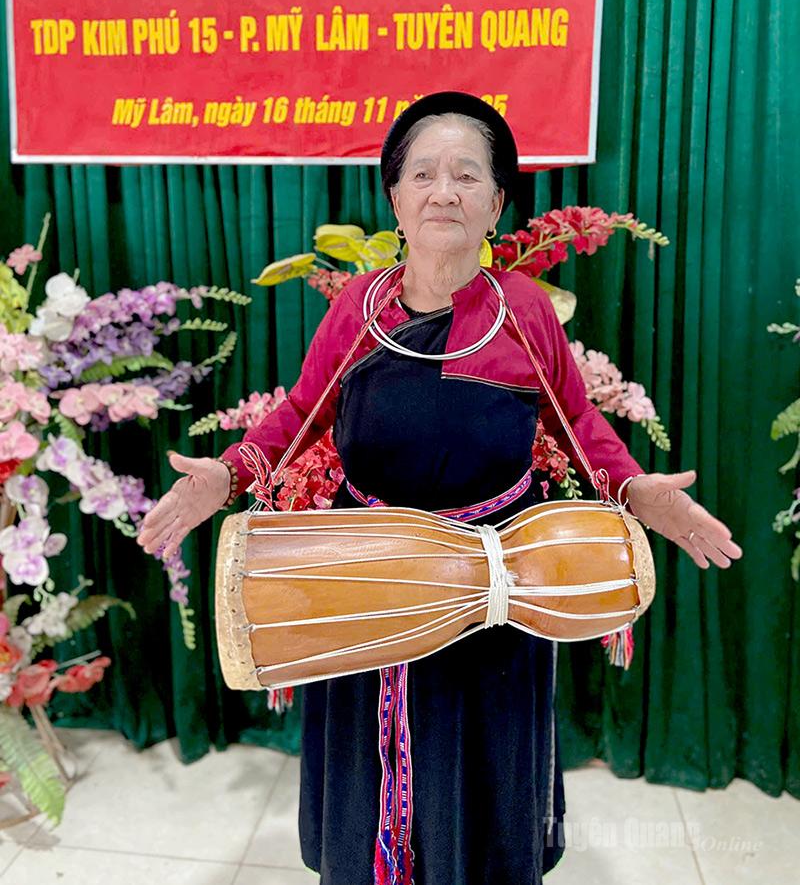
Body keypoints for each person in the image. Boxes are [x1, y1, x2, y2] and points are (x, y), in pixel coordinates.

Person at [136, 91, 742, 885]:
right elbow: (298, 415)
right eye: (422, 174)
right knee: (367, 784)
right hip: (366, 581)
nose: (443, 192)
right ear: (395, 198)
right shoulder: (358, 312)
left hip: (494, 587)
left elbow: (577, 423)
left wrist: (635, 491)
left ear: (496, 202)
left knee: (483, 788)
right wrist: (227, 474)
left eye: (466, 175)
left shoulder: (524, 313)